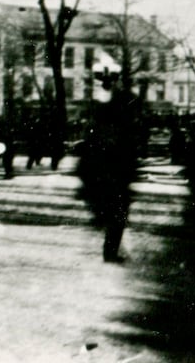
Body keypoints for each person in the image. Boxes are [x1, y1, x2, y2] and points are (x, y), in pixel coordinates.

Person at [77, 73, 139, 262]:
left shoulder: (105, 131)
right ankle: (110, 252)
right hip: (111, 183)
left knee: (116, 219)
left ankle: (110, 250)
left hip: (110, 182)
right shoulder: (114, 134)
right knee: (117, 219)